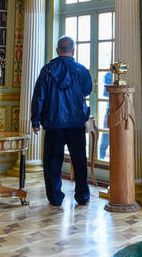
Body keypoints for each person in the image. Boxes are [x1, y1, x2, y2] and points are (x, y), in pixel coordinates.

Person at [30, 36, 94, 206]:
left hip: (53, 123)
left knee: (52, 162)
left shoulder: (47, 70)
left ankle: (55, 197)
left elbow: (39, 97)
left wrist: (35, 120)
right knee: (79, 161)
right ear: (73, 51)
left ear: (57, 50)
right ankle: (82, 196)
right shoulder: (81, 70)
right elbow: (87, 91)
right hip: (76, 123)